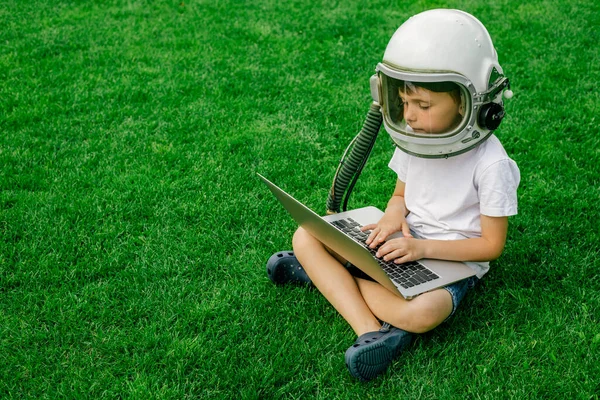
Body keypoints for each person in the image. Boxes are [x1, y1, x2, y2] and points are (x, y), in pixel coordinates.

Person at [265, 9, 520, 381]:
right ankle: (371, 327)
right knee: (306, 234)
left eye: (423, 105)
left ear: (466, 103)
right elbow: (400, 197)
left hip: (452, 264)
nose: (410, 115)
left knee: (423, 313)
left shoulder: (491, 163)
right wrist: (390, 219)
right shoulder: (414, 139)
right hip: (403, 244)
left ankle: (328, 281)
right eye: (404, 102)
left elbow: (490, 246)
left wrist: (422, 249)